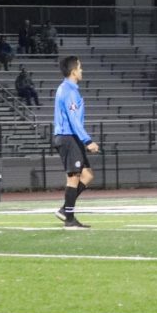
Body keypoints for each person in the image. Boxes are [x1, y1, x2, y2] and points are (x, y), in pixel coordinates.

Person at [53, 55, 98, 229]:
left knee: (87, 175)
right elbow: (74, 121)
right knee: (73, 178)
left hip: (71, 137)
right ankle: (69, 220)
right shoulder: (69, 91)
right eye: (80, 68)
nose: (82, 70)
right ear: (73, 71)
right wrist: (88, 141)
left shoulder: (66, 88)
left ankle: (66, 210)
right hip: (69, 137)